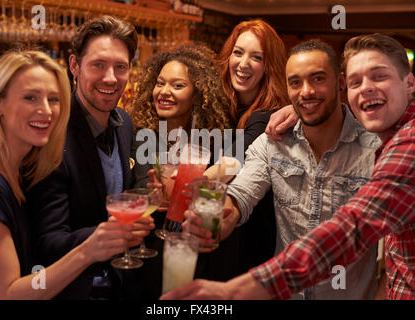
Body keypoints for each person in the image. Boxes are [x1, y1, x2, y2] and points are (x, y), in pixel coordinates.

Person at [161, 33, 415, 300]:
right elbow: (242, 193)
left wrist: (236, 291)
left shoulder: (383, 146)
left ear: (338, 84)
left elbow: (351, 230)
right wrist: (226, 215)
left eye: (318, 79)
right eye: (296, 82)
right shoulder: (273, 141)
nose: (306, 91)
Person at [0, 50, 141, 299]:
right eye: (30, 98)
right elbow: (7, 294)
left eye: (53, 99)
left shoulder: (18, 166)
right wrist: (87, 251)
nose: (46, 110)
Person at [26, 16, 154, 300]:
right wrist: (112, 234)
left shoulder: (124, 123)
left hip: (121, 283)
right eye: (98, 65)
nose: (110, 78)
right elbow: (48, 243)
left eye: (120, 67)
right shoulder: (52, 135)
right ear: (74, 66)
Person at [127, 43, 232, 299]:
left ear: (198, 94)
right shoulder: (142, 135)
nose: (164, 92)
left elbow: (225, 182)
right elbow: (142, 184)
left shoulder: (212, 142)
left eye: (177, 85)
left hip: (196, 255)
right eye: (160, 83)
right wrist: (152, 193)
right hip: (149, 254)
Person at [212, 18, 290, 275]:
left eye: (256, 57)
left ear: (269, 66)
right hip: (223, 232)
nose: (243, 64)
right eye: (238, 52)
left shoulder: (268, 115)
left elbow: (232, 163)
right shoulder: (221, 108)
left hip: (251, 239)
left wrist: (183, 187)